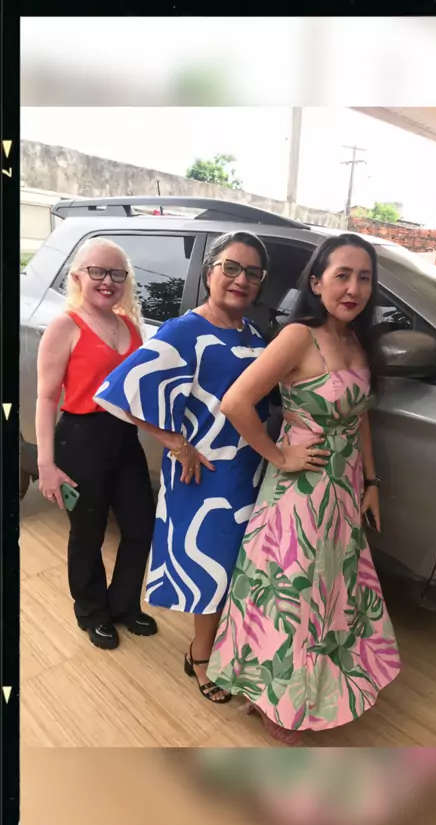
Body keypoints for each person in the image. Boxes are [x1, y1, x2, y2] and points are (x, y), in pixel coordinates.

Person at [93, 231, 326, 703]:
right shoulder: (185, 330)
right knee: (213, 567)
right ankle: (199, 656)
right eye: (231, 268)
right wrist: (175, 443)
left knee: (239, 567)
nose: (241, 280)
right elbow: (118, 390)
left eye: (253, 273)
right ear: (209, 273)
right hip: (205, 474)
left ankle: (223, 648)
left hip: (250, 469)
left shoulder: (253, 335)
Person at [207, 233, 401, 741]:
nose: (354, 288)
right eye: (342, 275)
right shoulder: (299, 336)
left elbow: (359, 418)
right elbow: (236, 402)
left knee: (329, 591)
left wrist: (372, 481)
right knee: (290, 594)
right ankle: (274, 700)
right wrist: (279, 455)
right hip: (299, 491)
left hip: (343, 487)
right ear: (316, 282)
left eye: (364, 278)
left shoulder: (356, 340)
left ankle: (314, 689)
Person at [36, 237, 157, 650]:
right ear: (77, 277)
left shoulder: (129, 326)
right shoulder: (65, 326)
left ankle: (123, 605)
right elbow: (46, 398)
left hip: (124, 438)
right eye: (98, 272)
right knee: (87, 533)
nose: (108, 281)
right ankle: (91, 611)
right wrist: (46, 464)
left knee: (140, 527)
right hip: (81, 438)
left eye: (117, 273)